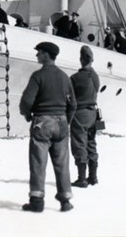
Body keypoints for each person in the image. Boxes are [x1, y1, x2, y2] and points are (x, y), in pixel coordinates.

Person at [19, 42, 77, 212]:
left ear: (46, 55)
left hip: (42, 122)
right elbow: (73, 104)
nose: (37, 55)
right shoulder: (65, 77)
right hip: (61, 123)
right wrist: (66, 120)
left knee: (38, 161)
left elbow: (26, 101)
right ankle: (65, 200)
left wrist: (26, 114)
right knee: (62, 163)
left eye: (39, 52)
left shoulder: (38, 76)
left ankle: (36, 201)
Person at [70, 46, 100, 188]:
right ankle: (93, 177)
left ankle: (82, 178)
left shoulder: (76, 78)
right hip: (93, 114)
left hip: (80, 114)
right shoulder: (95, 77)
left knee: (79, 144)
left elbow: (68, 96)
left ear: (81, 59)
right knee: (91, 143)